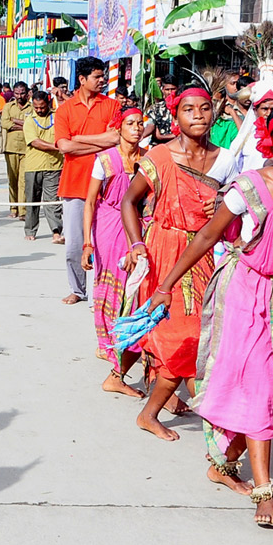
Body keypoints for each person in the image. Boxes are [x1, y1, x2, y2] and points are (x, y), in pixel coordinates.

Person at [150, 103, 273, 526]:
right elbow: (208, 234)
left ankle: (225, 461)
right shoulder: (249, 187)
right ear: (271, 145)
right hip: (242, 293)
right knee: (254, 384)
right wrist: (165, 286)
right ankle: (265, 492)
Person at [121, 83, 238, 437]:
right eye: (189, 109)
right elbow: (130, 201)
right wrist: (136, 244)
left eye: (204, 108)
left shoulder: (226, 159)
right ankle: (151, 412)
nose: (198, 115)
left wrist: (221, 204)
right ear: (176, 116)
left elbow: (236, 206)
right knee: (180, 334)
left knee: (196, 333)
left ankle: (183, 402)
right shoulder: (159, 156)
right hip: (162, 250)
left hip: (204, 255)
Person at [82, 106, 146, 392]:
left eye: (140, 123)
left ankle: (127, 342)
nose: (136, 128)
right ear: (119, 128)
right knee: (113, 282)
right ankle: (108, 343)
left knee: (136, 285)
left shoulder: (148, 159)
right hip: (108, 224)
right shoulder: (105, 160)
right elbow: (90, 201)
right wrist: (87, 241)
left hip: (138, 226)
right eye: (130, 123)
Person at [55, 56, 119, 304]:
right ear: (82, 79)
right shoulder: (65, 110)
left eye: (103, 76)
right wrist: (98, 142)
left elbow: (115, 139)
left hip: (107, 185)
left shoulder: (111, 106)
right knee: (73, 246)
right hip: (74, 184)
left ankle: (100, 294)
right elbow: (63, 147)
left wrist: (79, 139)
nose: (102, 80)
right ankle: (78, 290)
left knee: (103, 244)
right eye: (97, 76)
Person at [22, 90, 64, 243]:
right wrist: (58, 147)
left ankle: (56, 231)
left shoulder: (58, 116)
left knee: (52, 201)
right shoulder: (29, 120)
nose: (39, 110)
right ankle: (30, 229)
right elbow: (35, 142)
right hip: (34, 167)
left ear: (48, 104)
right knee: (32, 200)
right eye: (36, 107)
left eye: (42, 107)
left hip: (54, 166)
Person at [2, 81, 30, 218]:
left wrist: (16, 122)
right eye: (17, 93)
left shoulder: (32, 107)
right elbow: (5, 123)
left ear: (27, 92)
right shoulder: (8, 106)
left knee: (23, 180)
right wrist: (24, 125)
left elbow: (33, 124)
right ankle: (13, 208)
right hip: (11, 148)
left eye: (22, 93)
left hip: (27, 149)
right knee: (12, 180)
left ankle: (23, 210)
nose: (20, 96)